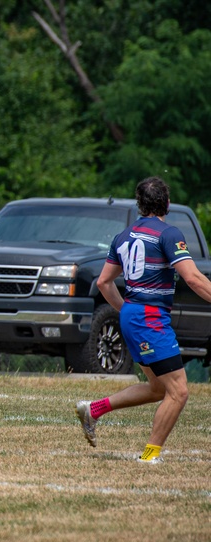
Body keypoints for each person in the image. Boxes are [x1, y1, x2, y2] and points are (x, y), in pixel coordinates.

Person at [76, 176, 211, 463]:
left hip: (132, 315)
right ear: (168, 203)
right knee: (179, 391)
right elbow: (194, 278)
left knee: (158, 388)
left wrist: (127, 309)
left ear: (139, 205)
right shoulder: (169, 234)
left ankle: (94, 409)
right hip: (149, 317)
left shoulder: (122, 237)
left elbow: (103, 282)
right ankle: (150, 455)